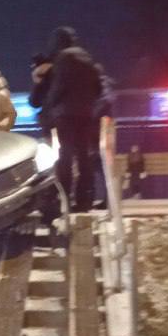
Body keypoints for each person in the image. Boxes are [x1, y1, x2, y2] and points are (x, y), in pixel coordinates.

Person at [42, 26, 107, 213]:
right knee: (84, 157)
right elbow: (99, 89)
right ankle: (84, 200)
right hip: (86, 115)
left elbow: (58, 87)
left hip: (65, 116)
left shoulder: (63, 59)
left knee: (65, 158)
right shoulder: (88, 59)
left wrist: (50, 105)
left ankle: (64, 200)